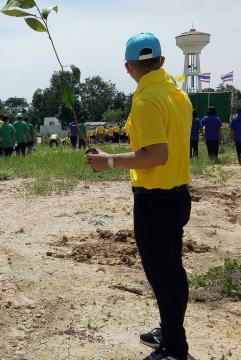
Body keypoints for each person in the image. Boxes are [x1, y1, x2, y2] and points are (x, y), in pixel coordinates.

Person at [86, 33, 193, 360]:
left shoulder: (146, 101)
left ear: (128, 66)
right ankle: (170, 327)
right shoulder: (178, 95)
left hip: (156, 200)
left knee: (163, 275)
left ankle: (174, 348)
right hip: (178, 196)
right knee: (173, 270)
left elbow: (156, 154)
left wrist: (110, 161)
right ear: (161, 61)